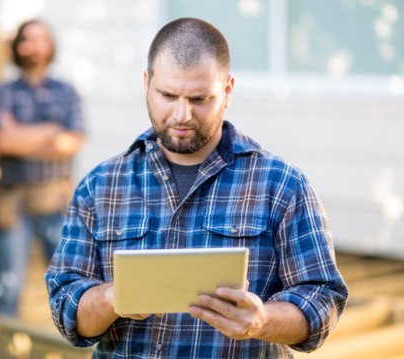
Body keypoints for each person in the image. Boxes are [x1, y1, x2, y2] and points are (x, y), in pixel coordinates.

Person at [45, 17, 348, 358]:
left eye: (200, 98)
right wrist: (115, 297)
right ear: (146, 83)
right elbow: (65, 309)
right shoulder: (100, 186)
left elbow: (323, 300)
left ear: (228, 91)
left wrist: (262, 320)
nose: (182, 114)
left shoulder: (281, 185)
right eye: (168, 95)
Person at [0, 19, 85, 317]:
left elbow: (72, 141)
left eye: (41, 38)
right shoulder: (1, 92)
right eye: (27, 39)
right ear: (17, 47)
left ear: (51, 46)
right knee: (7, 287)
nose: (34, 46)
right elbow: (3, 141)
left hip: (57, 201)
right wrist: (53, 131)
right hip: (13, 202)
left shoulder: (67, 91)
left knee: (70, 286)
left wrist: (22, 134)